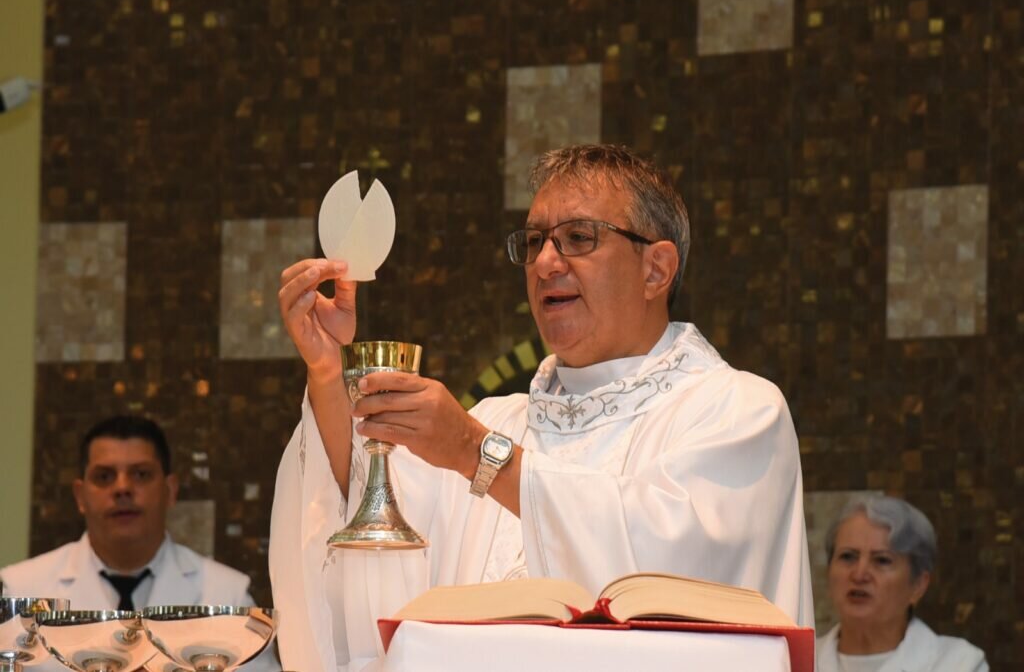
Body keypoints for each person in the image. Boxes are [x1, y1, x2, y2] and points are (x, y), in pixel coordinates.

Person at [270, 144, 814, 671]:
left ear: (656, 269)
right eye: (534, 242)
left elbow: (672, 576)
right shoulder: (496, 419)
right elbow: (365, 542)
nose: (546, 262)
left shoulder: (737, 411)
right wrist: (325, 370)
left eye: (578, 237)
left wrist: (477, 453)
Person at [1, 415, 278, 671]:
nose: (122, 488)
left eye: (141, 474)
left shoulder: (227, 595)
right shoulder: (18, 589)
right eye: (104, 476)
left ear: (170, 490)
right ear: (80, 495)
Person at [816, 496, 988, 671]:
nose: (859, 575)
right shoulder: (793, 661)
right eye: (848, 556)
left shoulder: (959, 664)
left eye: (882, 560)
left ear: (918, 585)